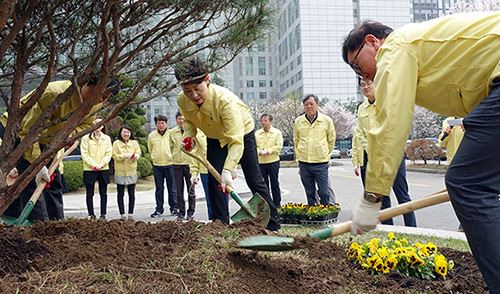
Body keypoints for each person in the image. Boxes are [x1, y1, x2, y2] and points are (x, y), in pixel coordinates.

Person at [342, 13, 500, 292]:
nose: (363, 75)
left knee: (467, 183)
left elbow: (390, 124)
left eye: (357, 65)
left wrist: (371, 198)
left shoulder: (395, 48)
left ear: (372, 42)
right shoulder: (418, 50)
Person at [175, 57, 280, 231]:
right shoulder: (182, 100)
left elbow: (236, 142)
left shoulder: (225, 101)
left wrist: (228, 169)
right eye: (187, 90)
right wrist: (188, 136)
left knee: (254, 179)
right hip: (214, 137)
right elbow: (190, 123)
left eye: (197, 89)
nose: (193, 95)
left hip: (242, 134)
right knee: (213, 183)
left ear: (207, 80)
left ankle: (273, 223)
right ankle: (220, 225)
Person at [1, 76, 119, 222]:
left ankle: (58, 225)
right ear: (88, 84)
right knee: (30, 179)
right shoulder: (54, 94)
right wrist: (38, 165)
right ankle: (39, 227)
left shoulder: (94, 103)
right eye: (100, 94)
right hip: (16, 132)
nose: (101, 99)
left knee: (52, 181)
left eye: (105, 97)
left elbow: (85, 124)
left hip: (49, 140)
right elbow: (27, 132)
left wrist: (69, 134)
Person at [352, 79, 416, 227]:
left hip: (391, 156)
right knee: (381, 199)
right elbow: (360, 133)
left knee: (402, 196)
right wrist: (371, 150)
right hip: (371, 159)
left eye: (369, 83)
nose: (366, 87)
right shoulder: (362, 108)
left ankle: (412, 229)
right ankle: (389, 230)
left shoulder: (388, 103)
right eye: (362, 85)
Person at [293, 94, 336, 206]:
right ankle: (314, 215)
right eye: (306, 104)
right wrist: (299, 155)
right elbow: (296, 140)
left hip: (321, 162)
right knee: (310, 192)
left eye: (311, 104)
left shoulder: (326, 120)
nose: (309, 106)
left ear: (317, 105)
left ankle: (325, 212)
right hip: (304, 163)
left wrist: (325, 153)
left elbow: (331, 140)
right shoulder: (298, 121)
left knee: (324, 192)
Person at [80, 118, 112, 220]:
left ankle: (103, 214)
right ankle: (91, 214)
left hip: (104, 168)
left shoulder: (106, 138)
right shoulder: (85, 138)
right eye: (95, 123)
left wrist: (101, 164)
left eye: (100, 124)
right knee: (90, 193)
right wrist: (93, 165)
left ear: (103, 126)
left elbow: (108, 153)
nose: (97, 125)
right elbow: (84, 154)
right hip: (89, 169)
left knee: (103, 192)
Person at [147, 115, 178, 217]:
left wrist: (171, 157)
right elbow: (150, 148)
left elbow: (175, 148)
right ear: (156, 124)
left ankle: (174, 208)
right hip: (157, 165)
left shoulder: (171, 134)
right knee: (159, 189)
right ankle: (159, 209)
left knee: (172, 188)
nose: (161, 125)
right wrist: (153, 157)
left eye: (163, 123)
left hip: (170, 164)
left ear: (166, 123)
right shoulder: (151, 135)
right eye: (159, 123)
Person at [170, 111, 196, 221]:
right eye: (179, 118)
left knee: (191, 189)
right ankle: (181, 212)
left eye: (183, 119)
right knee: (179, 190)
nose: (181, 121)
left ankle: (191, 211)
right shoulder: (172, 132)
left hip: (189, 163)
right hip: (177, 164)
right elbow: (170, 147)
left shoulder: (191, 131)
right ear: (176, 120)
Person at [112, 125, 141, 220]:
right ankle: (122, 214)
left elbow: (138, 153)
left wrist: (135, 156)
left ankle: (131, 213)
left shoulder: (134, 143)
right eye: (124, 132)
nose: (126, 134)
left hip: (131, 170)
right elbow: (114, 156)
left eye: (128, 132)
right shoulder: (116, 143)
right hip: (120, 171)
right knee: (120, 193)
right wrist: (124, 155)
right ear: (120, 133)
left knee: (131, 194)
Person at [255, 114, 283, 208]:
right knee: (263, 184)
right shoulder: (257, 133)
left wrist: (269, 151)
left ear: (270, 121)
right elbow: (254, 146)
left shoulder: (277, 132)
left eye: (265, 121)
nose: (263, 122)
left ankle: (277, 203)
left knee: (274, 183)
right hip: (261, 162)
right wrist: (259, 152)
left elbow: (279, 146)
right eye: (262, 121)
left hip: (273, 161)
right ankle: (266, 203)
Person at [188, 129, 213, 219]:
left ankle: (225, 220)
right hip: (205, 172)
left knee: (223, 197)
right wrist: (194, 173)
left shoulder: (219, 127)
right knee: (210, 198)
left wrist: (231, 169)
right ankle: (213, 222)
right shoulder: (196, 134)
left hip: (220, 171)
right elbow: (195, 155)